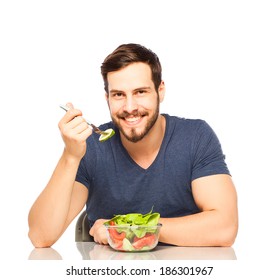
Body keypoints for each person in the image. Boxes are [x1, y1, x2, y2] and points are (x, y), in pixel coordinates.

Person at [28, 43, 238, 247]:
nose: (130, 107)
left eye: (140, 92)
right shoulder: (91, 147)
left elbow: (224, 228)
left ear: (160, 91)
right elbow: (41, 236)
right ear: (107, 98)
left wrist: (122, 229)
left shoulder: (195, 137)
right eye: (118, 95)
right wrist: (70, 156)